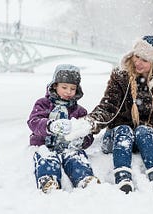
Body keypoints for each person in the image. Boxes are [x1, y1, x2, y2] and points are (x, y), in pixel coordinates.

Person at [61, 35, 153, 193]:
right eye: (136, 56)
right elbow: (108, 106)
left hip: (146, 139)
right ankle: (123, 178)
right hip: (117, 137)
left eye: (144, 60)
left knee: (143, 130)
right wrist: (90, 123)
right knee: (124, 129)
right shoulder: (121, 75)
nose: (137, 62)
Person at [27, 64, 100, 193]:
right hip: (45, 145)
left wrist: (82, 140)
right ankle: (48, 179)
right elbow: (33, 122)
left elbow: (87, 133)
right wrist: (50, 125)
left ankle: (84, 178)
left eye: (72, 88)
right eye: (64, 87)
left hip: (68, 146)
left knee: (76, 157)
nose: (68, 92)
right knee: (47, 158)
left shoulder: (79, 111)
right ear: (55, 85)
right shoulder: (43, 104)